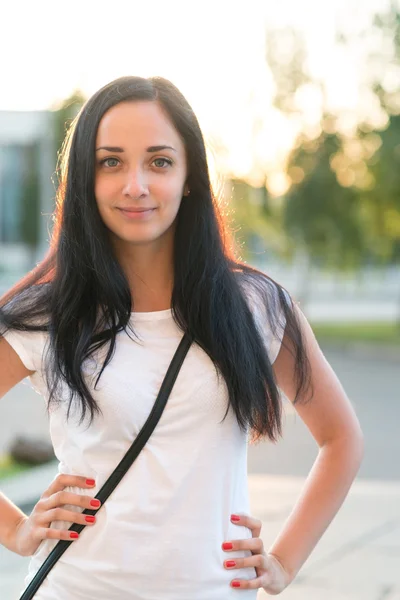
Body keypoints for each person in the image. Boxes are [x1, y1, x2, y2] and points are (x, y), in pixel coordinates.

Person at [0, 75, 364, 599]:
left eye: (159, 161)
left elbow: (342, 438)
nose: (136, 185)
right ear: (85, 178)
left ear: (190, 174)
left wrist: (284, 562)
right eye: (111, 162)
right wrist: (16, 530)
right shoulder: (49, 315)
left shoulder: (255, 306)